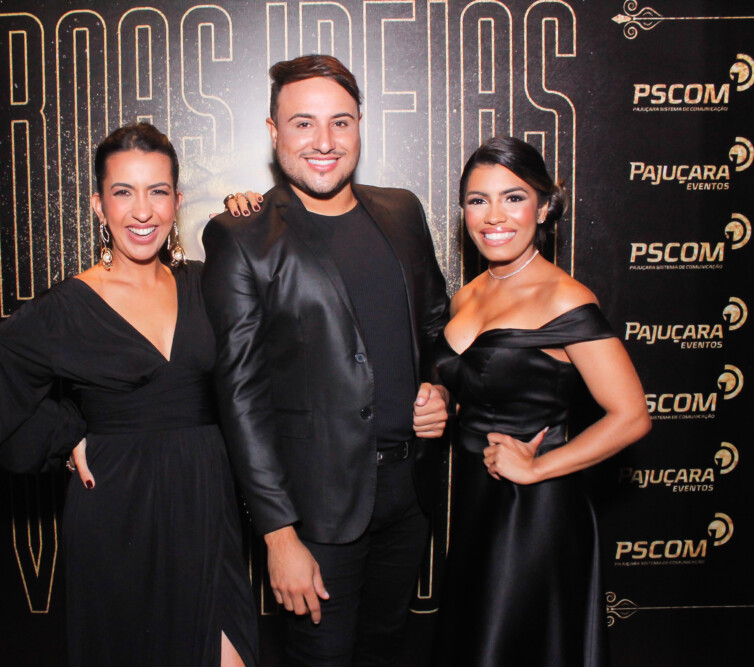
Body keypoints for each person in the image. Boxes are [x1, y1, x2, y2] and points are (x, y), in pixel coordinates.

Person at [0, 123, 257, 667]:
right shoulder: (72, 305)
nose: (143, 211)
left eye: (158, 191)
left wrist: (254, 216)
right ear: (98, 205)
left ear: (177, 201)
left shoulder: (205, 283)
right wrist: (63, 431)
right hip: (117, 509)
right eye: (123, 192)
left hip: (206, 504)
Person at [201, 55, 450, 666]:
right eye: (303, 123)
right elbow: (240, 397)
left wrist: (443, 390)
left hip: (410, 495)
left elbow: (437, 328)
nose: (324, 141)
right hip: (314, 512)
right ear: (273, 132)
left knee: (386, 652)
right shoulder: (242, 235)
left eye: (340, 122)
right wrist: (278, 534)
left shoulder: (403, 211)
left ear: (360, 125)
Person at [431, 136, 651, 666]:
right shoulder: (468, 294)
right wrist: (438, 397)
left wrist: (537, 468)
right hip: (475, 504)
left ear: (545, 206)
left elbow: (631, 416)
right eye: (478, 200)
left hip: (533, 514)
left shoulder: (564, 298)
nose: (493, 216)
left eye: (514, 197)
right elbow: (475, 384)